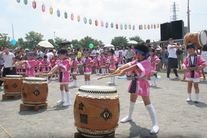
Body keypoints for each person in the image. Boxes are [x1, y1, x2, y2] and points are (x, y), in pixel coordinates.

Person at [115, 43, 159, 134]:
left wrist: (123, 71)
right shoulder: (137, 60)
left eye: (135, 52)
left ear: (140, 53)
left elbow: (135, 67)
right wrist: (120, 68)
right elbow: (129, 64)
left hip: (142, 83)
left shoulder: (146, 61)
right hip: (135, 82)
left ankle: (155, 124)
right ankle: (129, 116)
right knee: (132, 101)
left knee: (148, 104)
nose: (134, 54)